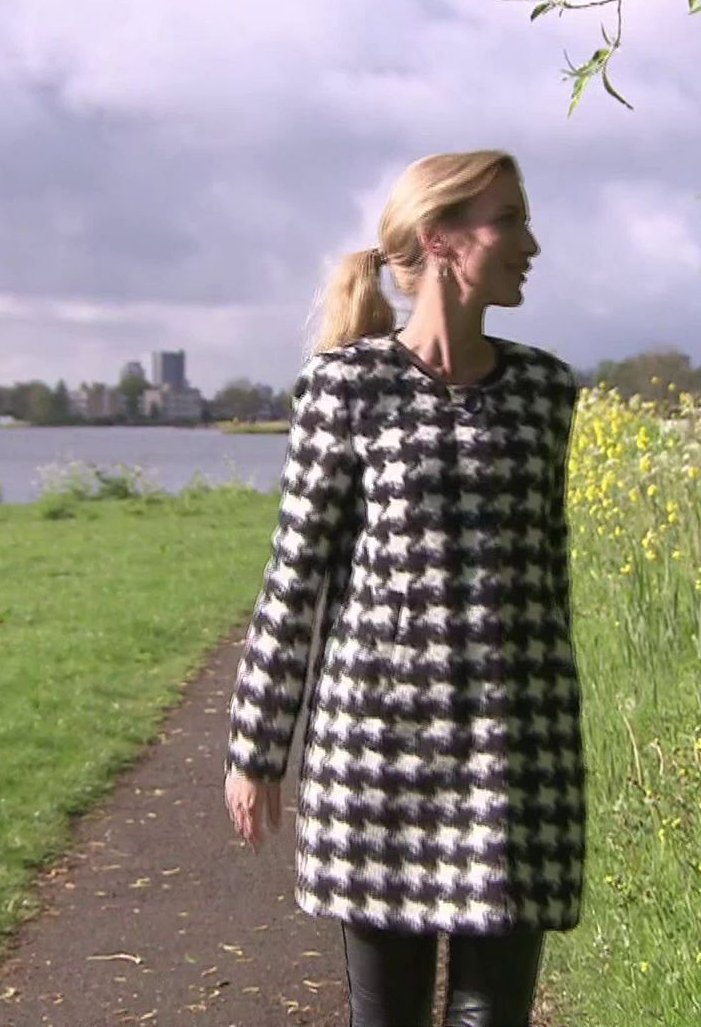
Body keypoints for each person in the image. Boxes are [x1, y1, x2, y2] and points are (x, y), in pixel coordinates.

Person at [221, 149, 583, 1027]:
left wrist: (554, 745)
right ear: (442, 237)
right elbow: (295, 576)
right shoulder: (346, 389)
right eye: (509, 220)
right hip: (377, 753)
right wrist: (257, 747)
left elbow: (546, 586)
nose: (531, 244)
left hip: (512, 754)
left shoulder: (543, 392)